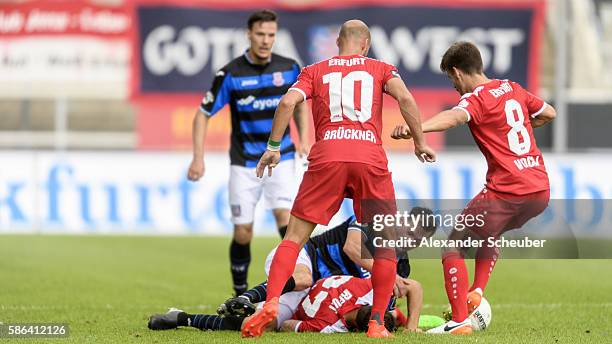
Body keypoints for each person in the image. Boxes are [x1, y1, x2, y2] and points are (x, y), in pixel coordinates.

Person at [244, 19, 435, 338]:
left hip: (327, 156)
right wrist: (419, 141)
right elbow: (405, 99)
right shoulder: (381, 68)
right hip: (368, 158)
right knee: (385, 246)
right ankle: (376, 322)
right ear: (366, 44)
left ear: (338, 42)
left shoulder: (315, 70)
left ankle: (271, 304)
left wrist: (274, 148)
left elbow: (289, 101)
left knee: (293, 238)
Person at [391, 41, 556, 334]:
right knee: (488, 234)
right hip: (540, 190)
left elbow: (452, 117)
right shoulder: (513, 88)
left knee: (453, 244)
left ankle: (458, 321)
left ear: (457, 72)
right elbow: (549, 113)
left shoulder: (476, 99)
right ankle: (476, 291)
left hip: (507, 190)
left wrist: (417, 130)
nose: (454, 87)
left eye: (451, 80)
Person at [186, 10, 310, 296]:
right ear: (249, 34)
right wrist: (198, 157)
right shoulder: (230, 74)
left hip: (282, 157)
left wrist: (304, 138)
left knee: (286, 220)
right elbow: (202, 114)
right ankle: (239, 292)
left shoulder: (290, 68)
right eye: (261, 34)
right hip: (244, 162)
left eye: (271, 35)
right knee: (243, 232)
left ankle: (294, 287)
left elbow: (300, 104)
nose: (266, 41)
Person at [219, 208, 435, 332]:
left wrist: (409, 325)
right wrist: (385, 274)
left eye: (418, 239)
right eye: (410, 231)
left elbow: (407, 289)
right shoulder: (373, 222)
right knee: (303, 277)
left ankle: (188, 319)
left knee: (266, 323)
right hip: (305, 257)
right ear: (403, 220)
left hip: (315, 292)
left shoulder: (401, 265)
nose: (411, 239)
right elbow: (351, 247)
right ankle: (245, 297)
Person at [147, 275, 402, 334]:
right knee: (262, 324)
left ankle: (181, 317)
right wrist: (412, 323)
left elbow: (395, 311)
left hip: (305, 286)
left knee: (257, 321)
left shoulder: (366, 288)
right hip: (301, 292)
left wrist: (402, 320)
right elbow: (289, 325)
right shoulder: (328, 326)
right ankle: (184, 318)